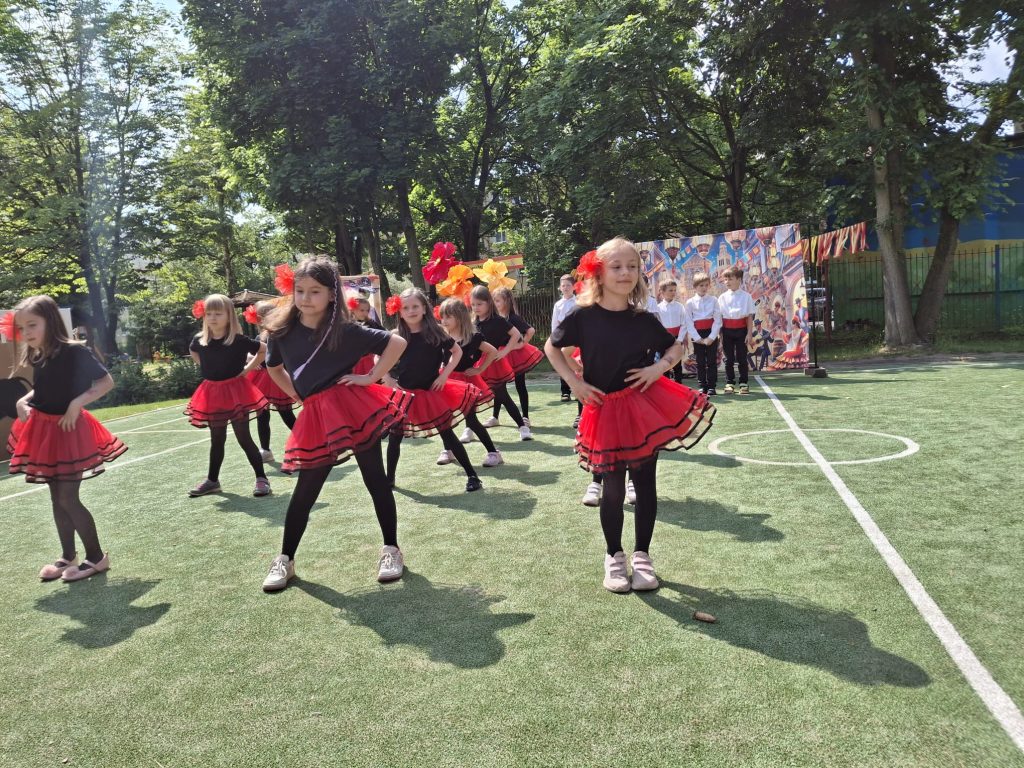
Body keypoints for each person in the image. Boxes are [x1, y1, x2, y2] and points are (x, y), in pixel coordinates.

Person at [545, 239, 716, 593]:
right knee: (612, 488)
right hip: (604, 410)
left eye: (633, 267)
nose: (626, 273)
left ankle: (642, 556)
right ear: (598, 273)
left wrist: (659, 369)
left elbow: (675, 347)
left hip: (641, 408)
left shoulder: (643, 319)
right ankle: (614, 556)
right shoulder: (582, 316)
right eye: (617, 267)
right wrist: (575, 384)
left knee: (645, 483)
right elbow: (552, 347)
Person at [262, 256, 410, 592]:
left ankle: (391, 549)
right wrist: (297, 394)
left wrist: (371, 376)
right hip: (317, 416)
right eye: (300, 290)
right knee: (306, 489)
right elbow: (273, 368)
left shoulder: (346, 331)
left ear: (332, 294)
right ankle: (285, 559)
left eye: (315, 291)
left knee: (375, 479)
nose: (305, 298)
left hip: (353, 409)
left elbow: (397, 343)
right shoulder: (281, 332)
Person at [7, 295, 127, 581]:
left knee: (67, 497)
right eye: (22, 328)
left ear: (50, 321)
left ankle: (96, 558)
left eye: (32, 324)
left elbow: (106, 382)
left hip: (69, 431)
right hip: (44, 430)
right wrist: (23, 400)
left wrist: (76, 404)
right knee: (55, 497)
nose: (27, 332)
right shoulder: (39, 354)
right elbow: (42, 388)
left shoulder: (74, 351)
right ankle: (67, 555)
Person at [384, 288, 485, 493]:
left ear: (424, 308)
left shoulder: (435, 331)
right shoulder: (396, 335)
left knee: (447, 434)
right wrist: (387, 378)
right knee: (394, 437)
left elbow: (456, 351)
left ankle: (472, 476)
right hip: (404, 394)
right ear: (399, 311)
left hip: (431, 393)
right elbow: (379, 357)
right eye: (406, 308)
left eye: (415, 306)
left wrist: (444, 375)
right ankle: (389, 480)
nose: (411, 311)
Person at [185, 294, 272, 497]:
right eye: (209, 314)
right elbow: (193, 350)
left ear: (229, 316)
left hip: (236, 392)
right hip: (212, 392)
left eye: (218, 313)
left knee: (243, 437)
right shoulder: (199, 340)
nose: (212, 318)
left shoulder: (238, 341)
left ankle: (262, 478)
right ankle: (212, 481)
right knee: (217, 438)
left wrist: (247, 369)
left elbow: (264, 350)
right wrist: (204, 366)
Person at [438, 298, 504, 468]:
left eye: (448, 317)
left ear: (460, 317)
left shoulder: (472, 338)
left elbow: (492, 351)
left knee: (471, 420)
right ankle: (448, 450)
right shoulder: (442, 336)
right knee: (444, 418)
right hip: (446, 381)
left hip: (466, 382)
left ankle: (493, 453)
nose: (444, 321)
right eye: (442, 317)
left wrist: (479, 369)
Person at [470, 285, 532, 440]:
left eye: (479, 304)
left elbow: (516, 334)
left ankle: (522, 426)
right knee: (470, 398)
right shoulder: (473, 322)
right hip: (476, 365)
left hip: (494, 364)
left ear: (488, 303)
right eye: (473, 304)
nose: (476, 307)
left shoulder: (498, 320)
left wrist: (506, 351)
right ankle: (469, 430)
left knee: (502, 395)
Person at [247, 301, 297, 462]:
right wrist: (250, 359)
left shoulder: (282, 334)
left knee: (286, 413)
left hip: (278, 378)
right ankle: (265, 449)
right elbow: (252, 353)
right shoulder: (259, 337)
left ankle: (309, 441)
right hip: (262, 380)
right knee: (262, 414)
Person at [490, 286, 543, 427]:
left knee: (520, 384)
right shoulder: (496, 318)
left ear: (506, 301)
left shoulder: (513, 318)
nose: (495, 303)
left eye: (498, 301)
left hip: (515, 356)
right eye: (494, 300)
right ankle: (495, 417)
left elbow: (530, 330)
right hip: (501, 355)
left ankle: (525, 417)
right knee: (499, 385)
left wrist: (522, 344)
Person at [717, 266, 755, 395]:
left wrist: (749, 334)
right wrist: (720, 335)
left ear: (739, 279)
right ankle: (730, 383)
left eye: (730, 279)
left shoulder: (747, 297)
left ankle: (743, 383)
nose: (727, 282)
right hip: (726, 331)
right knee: (728, 359)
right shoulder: (722, 297)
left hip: (741, 331)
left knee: (742, 358)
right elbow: (719, 318)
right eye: (725, 279)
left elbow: (749, 317)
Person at [684, 272, 722, 396]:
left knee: (711, 361)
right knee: (700, 361)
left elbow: (717, 320)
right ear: (695, 287)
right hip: (698, 335)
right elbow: (689, 322)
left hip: (711, 333)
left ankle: (711, 386)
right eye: (701, 285)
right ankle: (702, 385)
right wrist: (697, 338)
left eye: (706, 285)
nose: (704, 288)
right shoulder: (690, 303)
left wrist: (712, 337)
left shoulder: (714, 300)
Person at [551, 274, 576, 401]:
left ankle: (577, 389)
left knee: (576, 362)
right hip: (563, 336)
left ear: (574, 287)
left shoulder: (579, 302)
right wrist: (554, 339)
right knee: (563, 363)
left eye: (568, 285)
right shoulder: (558, 305)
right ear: (560, 288)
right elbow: (555, 323)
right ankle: (565, 391)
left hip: (576, 337)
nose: (565, 288)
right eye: (563, 286)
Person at [656, 279, 687, 382]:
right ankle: (667, 386)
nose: (673, 292)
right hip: (663, 340)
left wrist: (680, 339)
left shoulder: (679, 307)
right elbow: (657, 326)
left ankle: (679, 385)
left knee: (677, 364)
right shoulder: (658, 308)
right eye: (670, 290)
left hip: (676, 339)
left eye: (674, 290)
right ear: (662, 292)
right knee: (664, 363)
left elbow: (684, 323)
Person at [348, 295, 384, 376]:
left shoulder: (371, 323)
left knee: (371, 380)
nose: (365, 313)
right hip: (353, 362)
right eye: (362, 310)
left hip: (369, 359)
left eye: (367, 310)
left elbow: (384, 333)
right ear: (353, 309)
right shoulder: (347, 324)